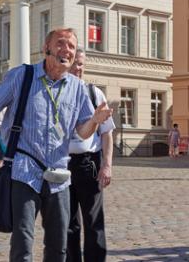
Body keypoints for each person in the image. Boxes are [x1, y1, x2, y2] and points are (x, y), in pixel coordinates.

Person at [0, 27, 113, 262]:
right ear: (46, 48)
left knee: (58, 246)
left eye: (72, 46)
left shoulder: (77, 88)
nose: (67, 50)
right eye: (61, 43)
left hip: (59, 175)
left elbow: (83, 132)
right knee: (23, 242)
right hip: (24, 171)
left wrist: (95, 120)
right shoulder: (21, 76)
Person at [66, 49, 115, 262]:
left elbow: (107, 134)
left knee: (94, 221)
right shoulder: (56, 94)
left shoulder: (95, 94)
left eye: (81, 64)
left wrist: (107, 165)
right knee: (67, 223)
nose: (79, 68)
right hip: (61, 165)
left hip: (88, 163)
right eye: (75, 63)